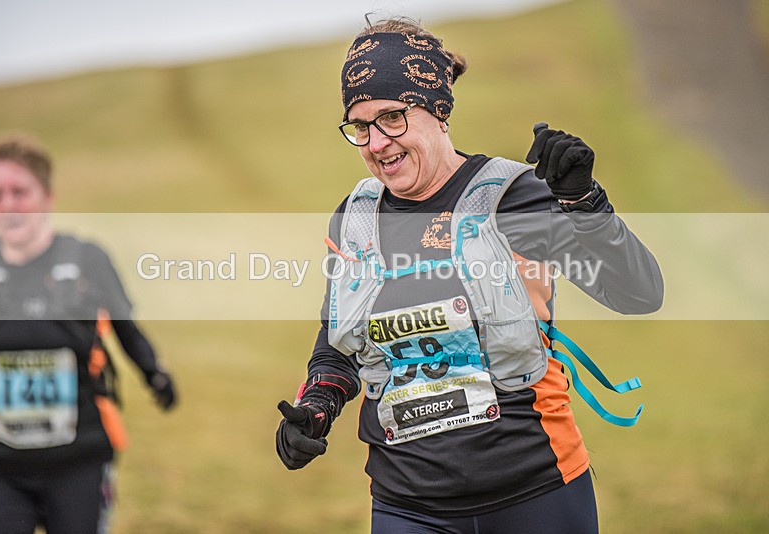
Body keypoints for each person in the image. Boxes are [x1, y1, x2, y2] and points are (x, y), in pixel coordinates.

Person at [275, 17, 664, 533]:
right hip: (406, 504)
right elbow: (339, 341)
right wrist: (319, 401)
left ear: (438, 111)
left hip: (538, 489)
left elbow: (639, 294)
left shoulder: (514, 196)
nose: (376, 143)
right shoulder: (356, 218)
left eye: (392, 118)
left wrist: (585, 204)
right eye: (361, 126)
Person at [0, 134, 177, 534]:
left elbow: (125, 329)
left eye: (19, 191)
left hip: (80, 459)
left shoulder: (87, 260)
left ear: (47, 195)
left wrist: (154, 373)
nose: (8, 205)